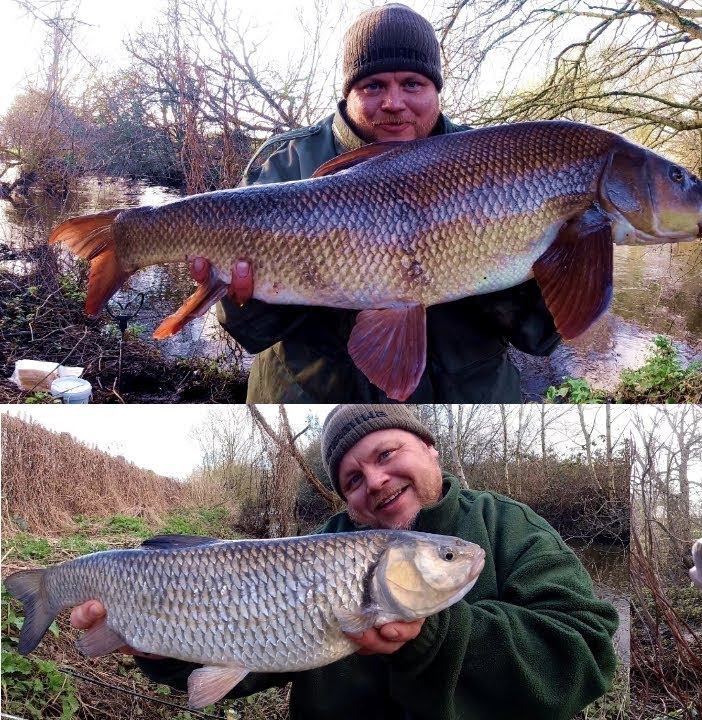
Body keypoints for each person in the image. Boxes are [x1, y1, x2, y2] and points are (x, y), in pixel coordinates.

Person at [69, 405, 620, 719]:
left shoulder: (506, 526)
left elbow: (588, 656)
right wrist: (154, 644)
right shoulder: (324, 546)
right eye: (352, 479)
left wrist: (437, 635)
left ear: (429, 449)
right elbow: (242, 659)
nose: (375, 481)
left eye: (386, 455)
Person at [195, 4, 560, 402]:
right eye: (373, 86)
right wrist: (244, 295)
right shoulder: (287, 163)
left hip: (468, 400)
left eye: (412, 84)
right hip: (308, 399)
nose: (393, 102)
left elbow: (541, 337)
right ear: (348, 92)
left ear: (436, 89)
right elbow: (246, 330)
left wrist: (493, 258)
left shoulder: (503, 162)